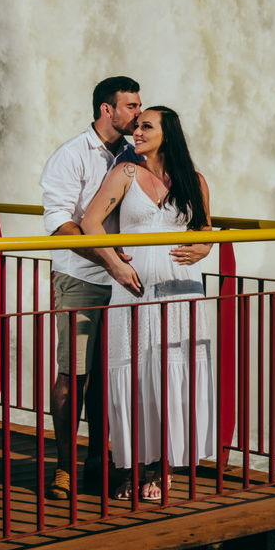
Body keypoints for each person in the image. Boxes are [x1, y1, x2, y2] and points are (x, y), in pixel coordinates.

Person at [81, 106, 216, 501]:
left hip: (181, 289)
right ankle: (131, 468)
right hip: (133, 289)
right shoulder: (125, 174)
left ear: (167, 134)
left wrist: (204, 249)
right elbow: (91, 223)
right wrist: (114, 265)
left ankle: (162, 469)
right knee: (136, 376)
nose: (136, 132)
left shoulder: (194, 181)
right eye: (136, 126)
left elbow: (206, 229)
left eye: (145, 126)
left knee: (173, 374)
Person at [39, 76, 143, 500]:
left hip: (123, 278)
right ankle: (63, 468)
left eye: (140, 106)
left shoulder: (134, 154)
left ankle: (99, 464)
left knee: (108, 375)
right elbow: (61, 226)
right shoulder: (71, 155)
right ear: (107, 109)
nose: (139, 113)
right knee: (74, 374)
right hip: (81, 277)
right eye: (131, 105)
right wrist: (111, 262)